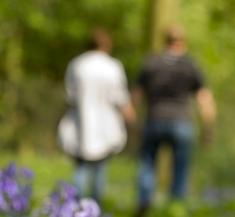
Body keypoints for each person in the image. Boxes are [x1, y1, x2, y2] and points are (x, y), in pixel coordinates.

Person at [132, 26, 216, 216]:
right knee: (180, 169)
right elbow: (204, 99)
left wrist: (132, 125)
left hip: (154, 120)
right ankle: (175, 208)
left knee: (147, 165)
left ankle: (144, 200)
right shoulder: (189, 65)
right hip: (181, 122)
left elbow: (135, 97)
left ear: (165, 41)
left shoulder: (151, 63)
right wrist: (208, 128)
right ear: (183, 42)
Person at [57, 28, 136, 204]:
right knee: (99, 170)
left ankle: (74, 207)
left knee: (81, 168)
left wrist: (59, 121)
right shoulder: (113, 66)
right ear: (107, 45)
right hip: (106, 127)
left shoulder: (77, 64)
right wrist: (132, 123)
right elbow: (121, 99)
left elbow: (69, 98)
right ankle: (94, 208)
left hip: (81, 125)